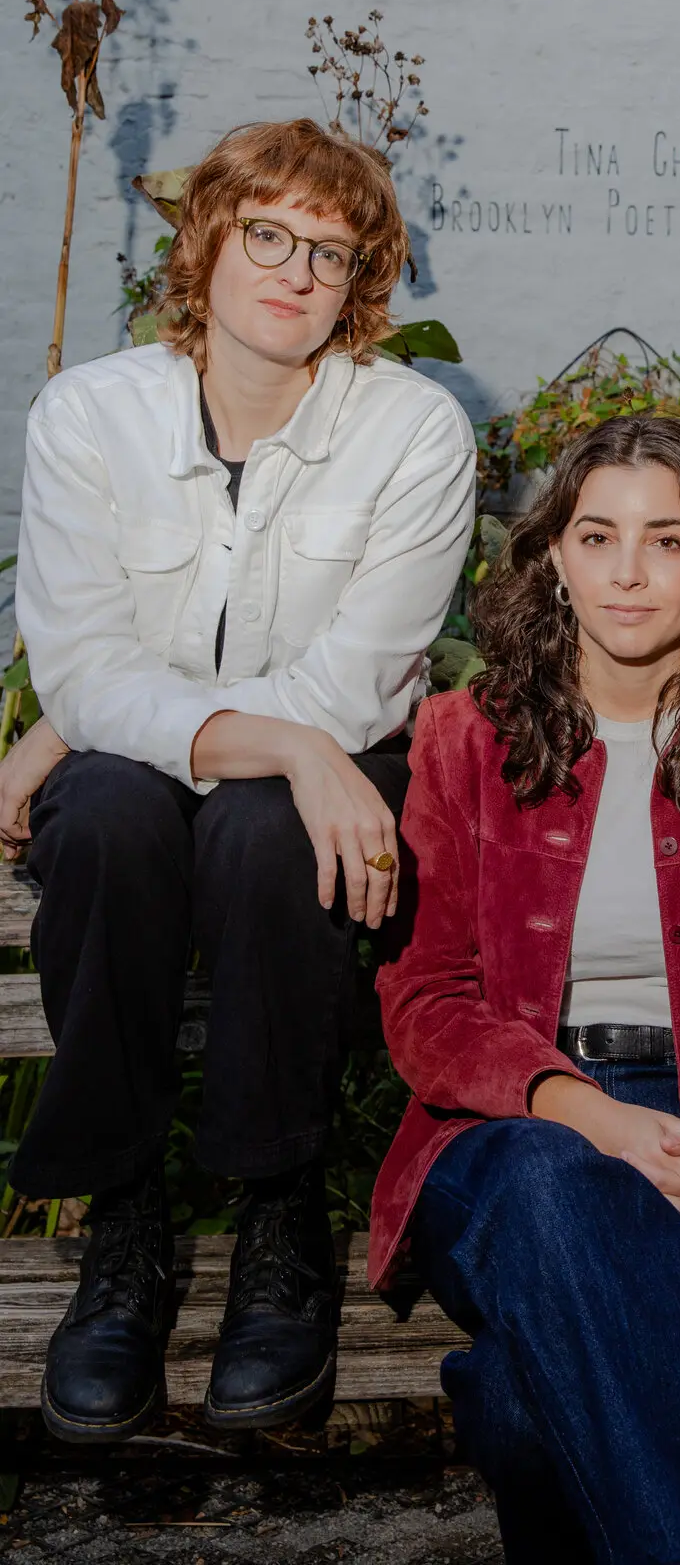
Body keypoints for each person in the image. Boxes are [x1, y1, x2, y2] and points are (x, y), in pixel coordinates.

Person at [0, 117, 476, 1442]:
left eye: (330, 251)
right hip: (156, 781)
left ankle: (281, 1216)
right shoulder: (90, 415)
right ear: (205, 246)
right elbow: (86, 667)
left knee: (270, 834)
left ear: (361, 283)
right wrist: (262, 736)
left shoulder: (412, 432)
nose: (295, 270)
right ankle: (126, 1226)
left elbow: (350, 688)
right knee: (100, 820)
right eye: (266, 234)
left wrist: (101, 722)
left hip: (307, 786)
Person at [369, 413, 680, 1565]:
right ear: (553, 555)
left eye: (667, 539)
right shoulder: (459, 737)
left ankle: (519, 1396)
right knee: (560, 1184)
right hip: (504, 1138)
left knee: (523, 1388)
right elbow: (427, 999)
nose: (628, 571)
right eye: (596, 535)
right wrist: (590, 1117)